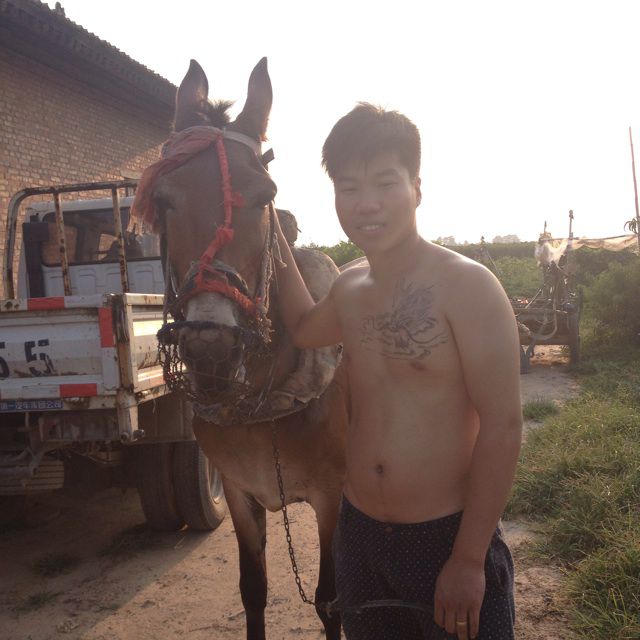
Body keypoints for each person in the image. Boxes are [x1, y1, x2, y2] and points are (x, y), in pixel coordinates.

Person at [273, 103, 522, 640]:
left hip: (445, 537)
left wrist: (469, 558)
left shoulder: (469, 287)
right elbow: (302, 328)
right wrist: (268, 227)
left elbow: (503, 426)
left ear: (416, 188)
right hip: (360, 534)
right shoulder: (349, 289)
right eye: (348, 187)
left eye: (385, 183)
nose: (366, 203)